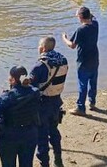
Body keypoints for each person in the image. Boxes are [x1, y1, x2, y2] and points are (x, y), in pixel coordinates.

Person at [30, 37, 69, 167]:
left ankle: (44, 163)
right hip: (56, 101)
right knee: (54, 131)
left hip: (43, 104)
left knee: (42, 136)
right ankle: (58, 159)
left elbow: (32, 87)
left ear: (43, 48)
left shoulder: (40, 65)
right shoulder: (62, 60)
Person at [0, 66, 41, 167]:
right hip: (30, 134)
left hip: (9, 136)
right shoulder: (35, 93)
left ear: (13, 80)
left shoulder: (7, 97)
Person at [61, 6, 99, 115]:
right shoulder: (95, 25)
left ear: (81, 17)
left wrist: (64, 38)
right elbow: (94, 17)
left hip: (83, 60)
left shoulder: (81, 30)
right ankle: (92, 102)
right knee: (93, 82)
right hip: (94, 58)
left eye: (78, 16)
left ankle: (80, 107)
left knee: (83, 84)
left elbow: (72, 45)